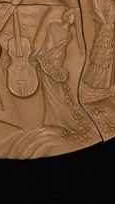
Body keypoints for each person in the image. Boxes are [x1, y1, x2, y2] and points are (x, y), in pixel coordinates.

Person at [36, 9, 89, 137]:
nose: (73, 18)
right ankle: (56, 122)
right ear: (67, 15)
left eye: (75, 17)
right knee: (51, 94)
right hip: (49, 60)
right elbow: (47, 43)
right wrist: (45, 59)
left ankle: (58, 121)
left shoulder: (70, 33)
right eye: (72, 15)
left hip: (59, 61)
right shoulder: (53, 26)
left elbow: (63, 48)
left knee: (58, 94)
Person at [83, 0, 115, 89]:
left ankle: (106, 80)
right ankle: (96, 79)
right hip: (101, 22)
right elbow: (96, 8)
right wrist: (105, 22)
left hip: (109, 21)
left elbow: (110, 4)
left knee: (110, 47)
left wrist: (112, 17)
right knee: (101, 47)